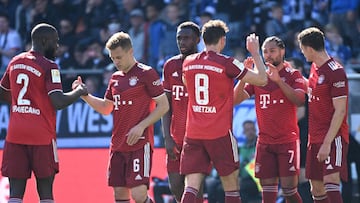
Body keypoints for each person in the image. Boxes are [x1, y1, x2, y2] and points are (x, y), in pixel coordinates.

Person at [73, 31, 169, 203]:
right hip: (118, 145)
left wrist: (141, 125)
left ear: (130, 51)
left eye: (119, 57)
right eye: (112, 58)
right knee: (119, 194)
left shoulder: (146, 73)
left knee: (139, 194)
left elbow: (164, 105)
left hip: (139, 143)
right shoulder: (115, 78)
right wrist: (84, 95)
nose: (116, 62)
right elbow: (105, 108)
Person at [180, 19, 268, 203]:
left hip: (194, 133)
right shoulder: (228, 63)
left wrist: (242, 80)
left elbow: (228, 98)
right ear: (223, 40)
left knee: (191, 187)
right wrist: (255, 53)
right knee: (231, 186)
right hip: (219, 133)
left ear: (203, 40)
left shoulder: (188, 62)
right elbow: (262, 80)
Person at [0, 23, 88, 203]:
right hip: (41, 137)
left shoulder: (15, 61)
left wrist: (23, 104)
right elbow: (58, 102)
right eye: (55, 42)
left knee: (15, 193)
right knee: (46, 191)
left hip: (15, 135)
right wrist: (79, 91)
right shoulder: (49, 66)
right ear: (44, 40)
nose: (57, 46)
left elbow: (2, 92)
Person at [234, 36, 306, 203]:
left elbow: (300, 100)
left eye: (272, 51)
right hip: (265, 142)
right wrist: (243, 77)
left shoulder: (293, 74)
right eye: (264, 51)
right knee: (267, 194)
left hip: (287, 140)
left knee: (289, 191)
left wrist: (279, 81)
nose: (268, 55)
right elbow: (234, 100)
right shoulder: (260, 77)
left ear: (282, 51)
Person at [297, 27, 349, 203]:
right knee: (316, 187)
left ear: (309, 48)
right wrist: (293, 77)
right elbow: (313, 90)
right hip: (314, 137)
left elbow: (340, 111)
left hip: (333, 137)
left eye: (302, 49)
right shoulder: (314, 68)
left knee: (331, 181)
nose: (303, 53)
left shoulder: (336, 71)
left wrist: (327, 143)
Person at [161, 21, 203, 202]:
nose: (182, 42)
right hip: (176, 138)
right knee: (176, 188)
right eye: (179, 38)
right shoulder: (170, 66)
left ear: (197, 39)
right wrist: (167, 138)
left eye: (186, 38)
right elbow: (165, 105)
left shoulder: (204, 64)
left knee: (193, 191)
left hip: (197, 138)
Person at [238, 120, 261, 203]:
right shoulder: (242, 148)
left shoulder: (261, 145)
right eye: (247, 130)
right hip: (244, 179)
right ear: (244, 132)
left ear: (255, 130)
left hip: (258, 179)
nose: (250, 132)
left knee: (243, 186)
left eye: (252, 129)